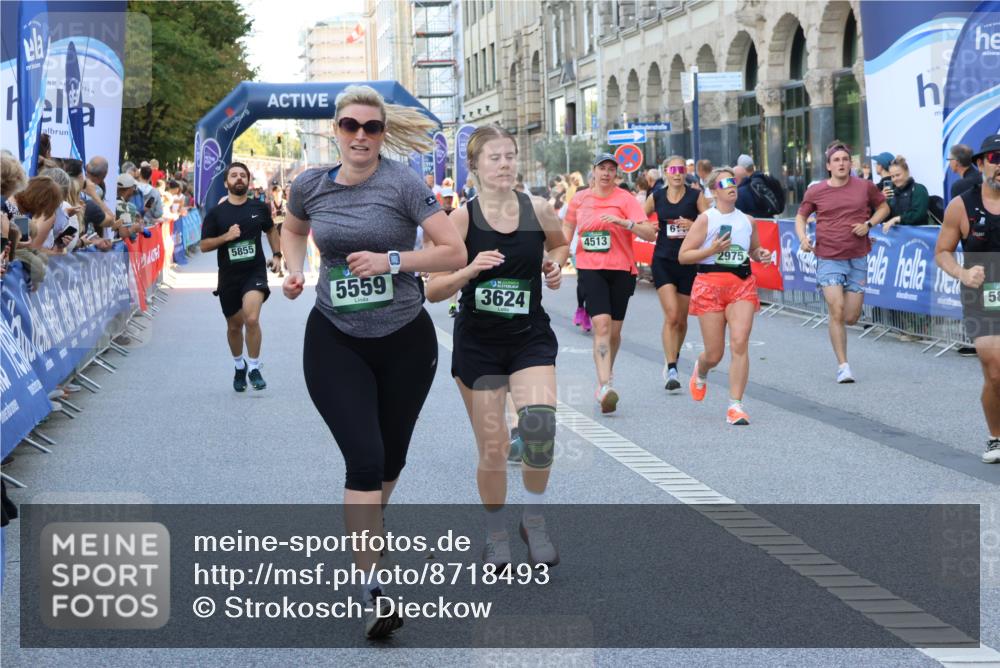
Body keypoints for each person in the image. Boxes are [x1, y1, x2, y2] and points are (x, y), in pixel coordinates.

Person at [279, 84, 465, 639]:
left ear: (383, 134)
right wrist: (292, 268)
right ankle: (373, 587)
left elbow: (452, 250)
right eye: (351, 126)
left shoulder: (404, 184)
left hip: (406, 337)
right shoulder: (309, 184)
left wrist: (392, 260)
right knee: (363, 458)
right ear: (336, 130)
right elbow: (293, 229)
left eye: (372, 128)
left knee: (390, 461)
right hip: (334, 337)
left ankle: (368, 533)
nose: (361, 136)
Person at [425, 125, 568, 567]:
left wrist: (554, 266)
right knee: (492, 447)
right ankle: (496, 534)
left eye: (510, 156)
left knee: (540, 430)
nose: (505, 164)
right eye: (495, 157)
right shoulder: (461, 219)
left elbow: (561, 246)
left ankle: (535, 520)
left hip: (529, 338)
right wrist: (469, 271)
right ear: (475, 167)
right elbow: (432, 290)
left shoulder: (539, 209)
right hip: (479, 344)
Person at [562, 153, 657, 413]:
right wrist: (556, 263)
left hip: (621, 269)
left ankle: (607, 374)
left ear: (616, 174)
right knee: (601, 325)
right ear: (593, 171)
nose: (606, 173)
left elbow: (649, 232)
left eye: (611, 169)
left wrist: (624, 222)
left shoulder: (625, 199)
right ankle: (604, 386)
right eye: (601, 168)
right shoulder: (580, 199)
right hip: (591, 268)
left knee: (614, 332)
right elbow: (565, 233)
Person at [679, 167, 773, 424]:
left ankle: (735, 406)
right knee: (714, 353)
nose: (732, 186)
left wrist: (760, 254)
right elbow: (684, 255)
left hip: (741, 285)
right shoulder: (706, 219)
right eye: (726, 183)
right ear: (714, 191)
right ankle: (702, 368)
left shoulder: (747, 220)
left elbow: (753, 250)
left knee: (740, 342)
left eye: (734, 181)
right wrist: (711, 248)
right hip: (709, 285)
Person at [795, 142, 890, 383]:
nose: (841, 163)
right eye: (836, 160)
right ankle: (843, 365)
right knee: (836, 310)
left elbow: (883, 207)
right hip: (828, 257)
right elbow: (801, 216)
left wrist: (868, 225)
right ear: (828, 165)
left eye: (845, 160)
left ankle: (842, 346)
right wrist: (803, 238)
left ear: (851, 164)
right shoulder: (816, 191)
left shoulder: (864, 187)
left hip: (857, 256)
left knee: (851, 317)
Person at [935, 134, 1000, 462]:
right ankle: (996, 437)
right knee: (995, 370)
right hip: (983, 295)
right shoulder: (961, 205)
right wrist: (962, 273)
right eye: (996, 158)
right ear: (981, 164)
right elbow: (942, 252)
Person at [199, 162, 281, 393]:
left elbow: (271, 230)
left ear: (248, 181)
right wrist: (226, 236)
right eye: (233, 175)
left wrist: (277, 255)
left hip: (254, 272)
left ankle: (254, 367)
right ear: (226, 183)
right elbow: (204, 245)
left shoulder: (259, 208)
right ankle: (239, 366)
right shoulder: (216, 213)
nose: (238, 179)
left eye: (242, 175)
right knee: (234, 326)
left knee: (251, 319)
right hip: (228, 277)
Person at [645, 156, 710, 391]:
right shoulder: (657, 196)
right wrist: (647, 227)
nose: (677, 174)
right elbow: (639, 216)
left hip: (688, 262)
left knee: (681, 320)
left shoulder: (695, 196)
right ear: (665, 172)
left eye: (681, 170)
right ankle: (671, 366)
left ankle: (674, 353)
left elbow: (710, 224)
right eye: (672, 170)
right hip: (663, 260)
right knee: (671, 315)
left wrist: (693, 225)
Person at [881, 155, 929, 232]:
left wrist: (898, 219)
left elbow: (919, 214)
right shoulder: (892, 192)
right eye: (892, 176)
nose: (895, 179)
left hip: (918, 237)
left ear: (907, 172)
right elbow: (883, 216)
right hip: (898, 238)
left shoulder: (919, 189)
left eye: (898, 175)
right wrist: (882, 200)